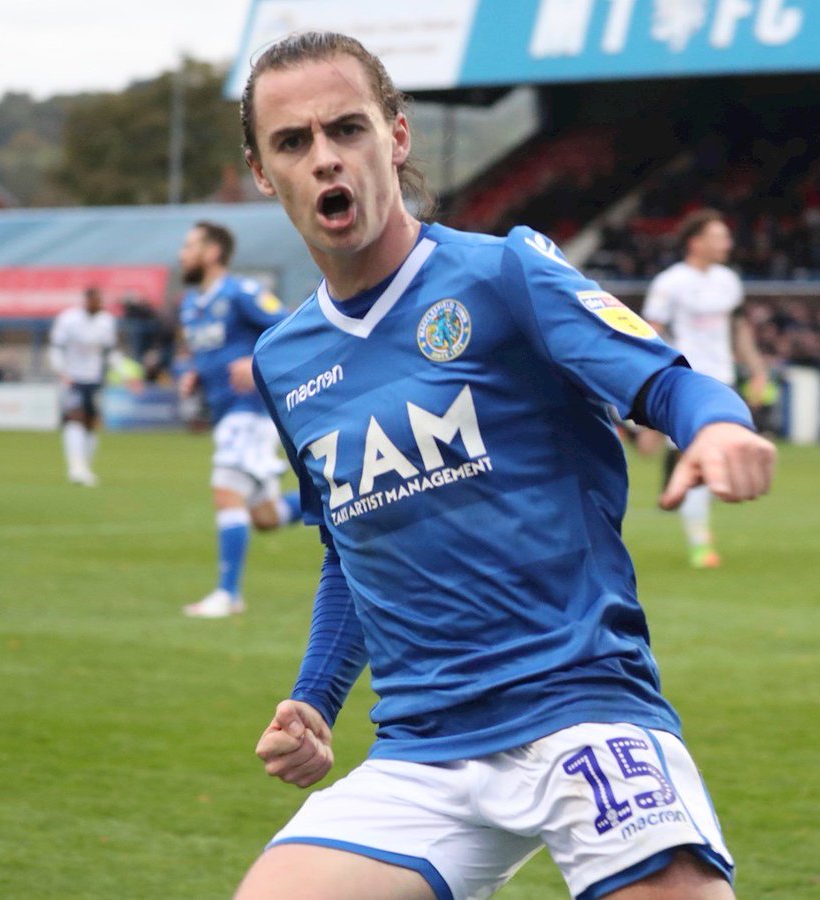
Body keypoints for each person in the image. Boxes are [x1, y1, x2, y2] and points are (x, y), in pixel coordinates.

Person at [235, 32, 776, 900]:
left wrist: (715, 429)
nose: (327, 158)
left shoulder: (503, 273)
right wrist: (313, 699)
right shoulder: (286, 359)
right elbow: (351, 544)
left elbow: (663, 379)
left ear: (396, 137)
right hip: (422, 748)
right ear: (264, 173)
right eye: (294, 143)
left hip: (578, 707)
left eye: (349, 129)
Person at [176, 221, 303, 618]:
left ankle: (228, 594)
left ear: (213, 253)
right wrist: (193, 374)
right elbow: (204, 355)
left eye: (190, 245)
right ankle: (334, 499)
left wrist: (257, 363)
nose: (183, 254)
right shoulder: (190, 304)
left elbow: (292, 330)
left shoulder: (241, 293)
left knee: (225, 491)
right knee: (264, 517)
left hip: (251, 413)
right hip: (225, 415)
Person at [641, 210, 769, 569]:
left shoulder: (729, 281)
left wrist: (757, 370)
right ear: (695, 241)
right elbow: (651, 332)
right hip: (687, 382)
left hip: (723, 382)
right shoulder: (670, 283)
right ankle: (701, 543)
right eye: (719, 236)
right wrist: (658, 378)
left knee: (716, 461)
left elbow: (739, 330)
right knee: (703, 460)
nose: (727, 243)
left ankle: (647, 443)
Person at [48, 286, 126, 486]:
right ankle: (75, 467)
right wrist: (61, 371)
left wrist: (123, 371)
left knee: (91, 423)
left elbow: (110, 351)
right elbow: (57, 347)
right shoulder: (68, 319)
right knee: (75, 419)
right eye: (97, 300)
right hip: (73, 377)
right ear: (87, 301)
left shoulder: (106, 321)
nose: (100, 304)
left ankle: (85, 467)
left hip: (95, 378)